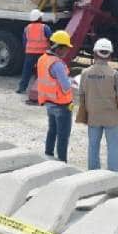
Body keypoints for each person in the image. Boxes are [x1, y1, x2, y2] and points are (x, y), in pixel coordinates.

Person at [79, 38, 118, 172]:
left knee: (93, 146)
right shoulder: (114, 74)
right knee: (113, 147)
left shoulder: (85, 73)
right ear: (110, 55)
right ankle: (113, 174)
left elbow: (82, 96)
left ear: (94, 53)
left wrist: (84, 115)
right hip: (112, 117)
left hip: (93, 116)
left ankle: (93, 174)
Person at [37, 30, 75, 162]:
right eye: (65, 48)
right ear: (58, 48)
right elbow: (65, 86)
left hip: (49, 102)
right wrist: (72, 81)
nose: (66, 51)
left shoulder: (43, 59)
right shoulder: (57, 64)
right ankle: (62, 163)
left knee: (52, 131)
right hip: (61, 105)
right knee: (63, 136)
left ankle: (48, 156)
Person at [17, 9, 51, 94]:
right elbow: (51, 39)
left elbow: (25, 41)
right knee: (42, 72)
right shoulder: (45, 27)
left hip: (30, 53)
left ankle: (22, 88)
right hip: (42, 54)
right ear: (39, 18)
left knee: (26, 71)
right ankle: (41, 89)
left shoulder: (27, 28)